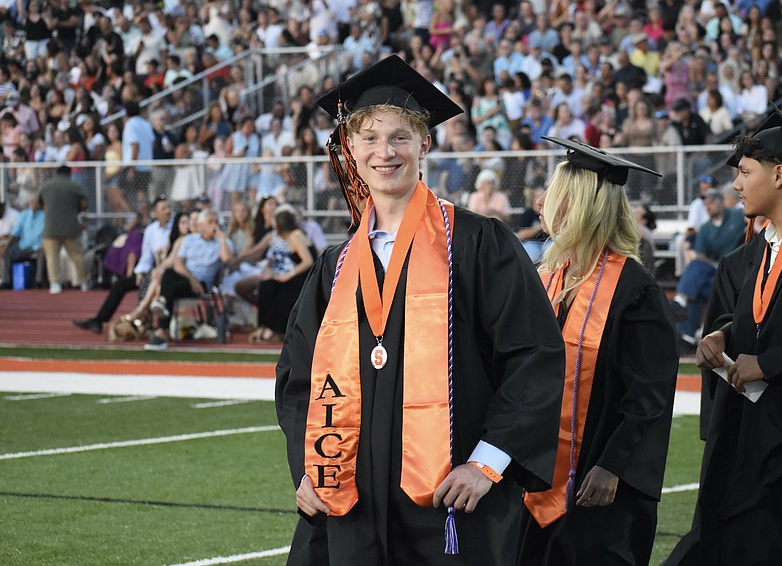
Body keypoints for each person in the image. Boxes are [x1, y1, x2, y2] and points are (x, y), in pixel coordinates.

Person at [275, 55, 566, 565]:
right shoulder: (335, 267)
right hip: (351, 502)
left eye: (400, 138)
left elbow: (533, 356)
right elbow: (298, 378)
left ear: (425, 144)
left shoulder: (478, 244)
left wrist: (488, 463)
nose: (384, 152)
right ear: (350, 148)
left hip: (451, 500)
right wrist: (310, 468)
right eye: (369, 138)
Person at [666, 109, 782, 564]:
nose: (735, 184)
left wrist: (768, 363)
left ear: (779, 175)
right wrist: (724, 334)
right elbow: (765, 317)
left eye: (745, 172)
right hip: (755, 436)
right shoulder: (758, 251)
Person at [519, 137, 678, 565]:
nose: (541, 201)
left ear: (579, 206)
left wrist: (615, 466)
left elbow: (649, 394)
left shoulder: (635, 291)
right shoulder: (548, 278)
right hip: (535, 475)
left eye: (554, 192)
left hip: (599, 480)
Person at [72, 196, 172, 334]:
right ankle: (99, 320)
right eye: (164, 208)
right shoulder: (151, 230)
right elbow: (146, 257)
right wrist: (139, 272)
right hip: (150, 270)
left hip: (166, 272)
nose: (168, 211)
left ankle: (147, 323)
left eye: (168, 207)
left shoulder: (174, 228)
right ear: (156, 212)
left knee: (150, 283)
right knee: (120, 285)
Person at [144, 209, 233, 350]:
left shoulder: (223, 242)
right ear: (201, 226)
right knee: (168, 273)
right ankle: (162, 305)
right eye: (210, 222)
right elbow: (178, 264)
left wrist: (221, 237)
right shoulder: (189, 240)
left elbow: (227, 259)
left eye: (216, 222)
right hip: (187, 278)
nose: (214, 225)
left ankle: (161, 330)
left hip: (202, 284)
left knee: (168, 288)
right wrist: (192, 280)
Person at [671, 189, 746, 351]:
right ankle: (687, 337)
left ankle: (680, 303)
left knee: (696, 283)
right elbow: (700, 255)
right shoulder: (705, 228)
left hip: (736, 271)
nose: (708, 206)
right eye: (705, 204)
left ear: (721, 202)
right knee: (697, 282)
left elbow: (755, 223)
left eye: (711, 202)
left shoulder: (737, 215)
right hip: (715, 272)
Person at [248, 206, 315, 344]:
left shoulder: (296, 235)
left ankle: (275, 329)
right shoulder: (285, 237)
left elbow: (308, 261)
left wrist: (288, 276)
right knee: (266, 286)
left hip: (304, 277)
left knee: (282, 292)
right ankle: (264, 325)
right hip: (293, 275)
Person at [38, 166, 88, 295]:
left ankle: (55, 284)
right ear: (69, 174)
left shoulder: (46, 186)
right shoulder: (74, 186)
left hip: (51, 227)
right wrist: (75, 209)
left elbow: (39, 203)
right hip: (70, 227)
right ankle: (84, 282)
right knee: (77, 255)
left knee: (52, 257)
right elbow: (84, 204)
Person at [0, 192, 45, 290]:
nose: (32, 204)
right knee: (6, 251)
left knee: (42, 253)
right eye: (31, 202)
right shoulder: (24, 214)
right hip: (23, 246)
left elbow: (47, 234)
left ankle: (38, 281)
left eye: (34, 202)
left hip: (38, 247)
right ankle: (5, 281)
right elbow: (15, 232)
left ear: (39, 204)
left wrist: (43, 244)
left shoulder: (44, 216)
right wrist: (6, 245)